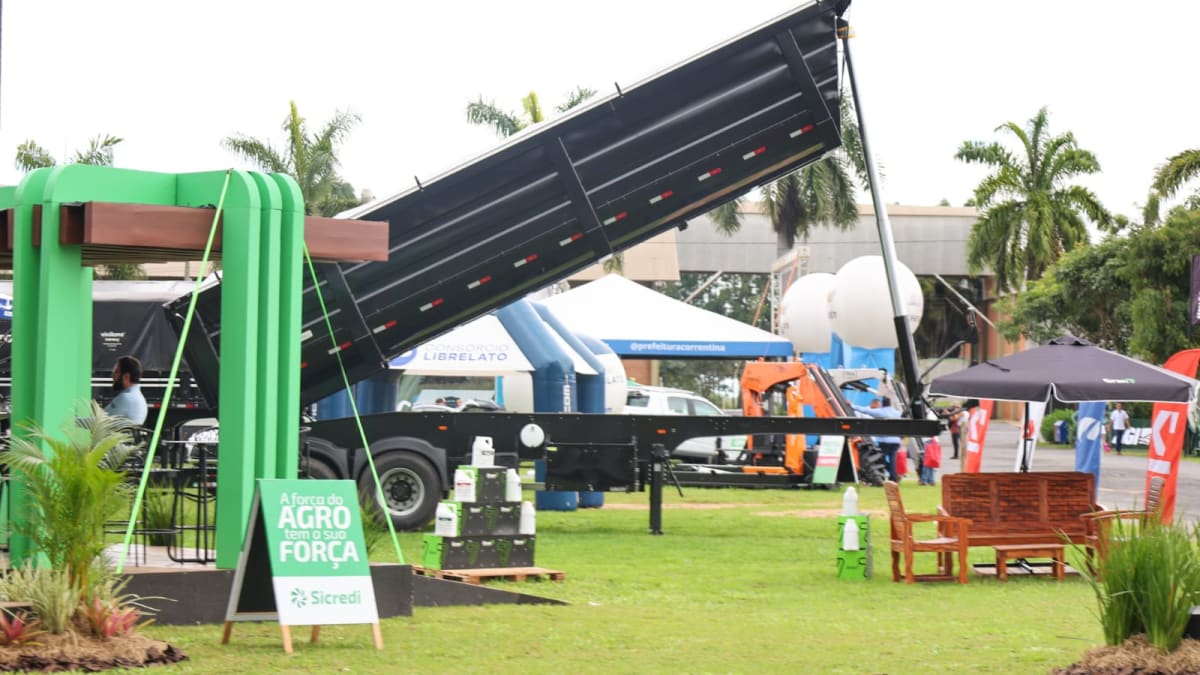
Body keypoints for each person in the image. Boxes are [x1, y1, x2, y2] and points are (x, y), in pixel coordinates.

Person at [852, 397, 902, 482]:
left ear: (882, 404)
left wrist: (852, 405)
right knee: (893, 459)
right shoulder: (897, 413)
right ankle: (893, 477)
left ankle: (883, 475)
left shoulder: (880, 412)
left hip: (884, 440)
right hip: (896, 441)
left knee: (880, 459)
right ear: (890, 403)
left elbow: (865, 410)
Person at [105, 355, 147, 425]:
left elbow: (100, 423)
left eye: (116, 372)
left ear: (126, 376)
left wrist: (80, 421)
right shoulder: (139, 398)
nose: (113, 376)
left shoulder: (126, 398)